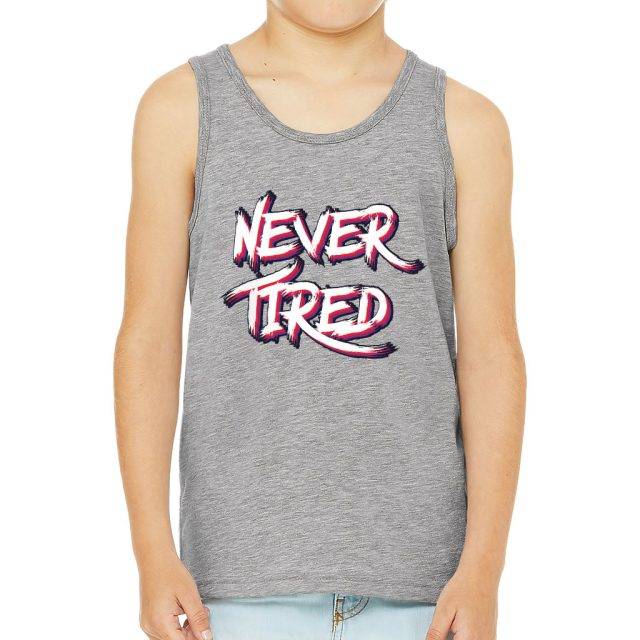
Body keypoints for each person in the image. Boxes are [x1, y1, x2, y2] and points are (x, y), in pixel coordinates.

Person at [114, 1, 526, 639]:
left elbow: (492, 355)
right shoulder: (183, 110)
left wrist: (483, 569)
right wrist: (151, 554)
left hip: (426, 593)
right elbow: (148, 341)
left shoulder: (464, 123)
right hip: (230, 590)